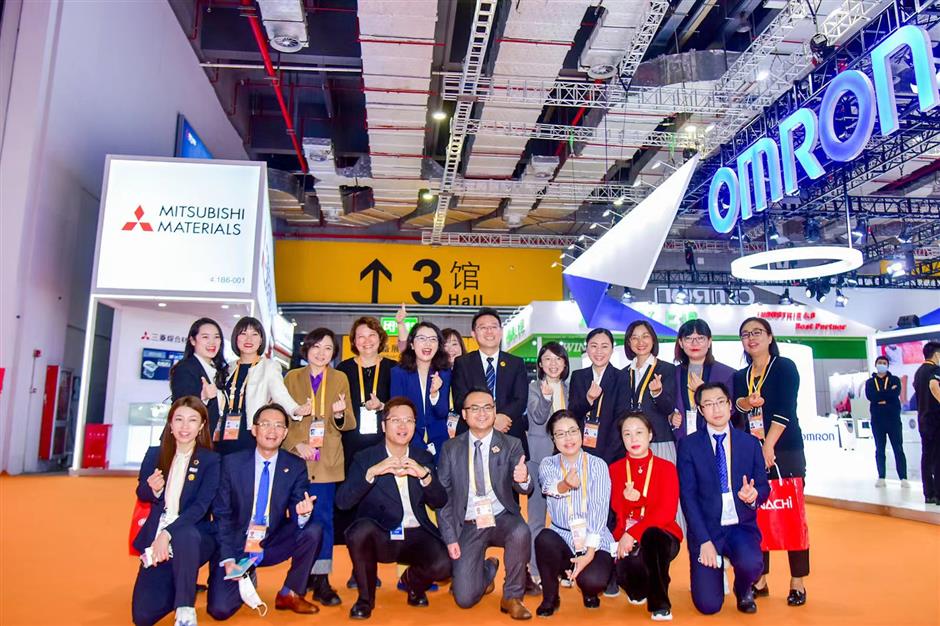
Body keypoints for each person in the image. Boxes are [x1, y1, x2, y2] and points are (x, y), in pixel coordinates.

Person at [336, 397, 451, 619]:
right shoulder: (365, 458)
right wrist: (371, 473)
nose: (402, 426)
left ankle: (412, 583)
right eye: (395, 420)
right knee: (358, 532)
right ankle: (365, 600)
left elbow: (439, 501)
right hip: (381, 533)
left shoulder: (423, 457)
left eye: (409, 420)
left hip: (415, 532)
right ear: (383, 425)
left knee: (445, 565)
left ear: (415, 425)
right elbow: (343, 502)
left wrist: (425, 476)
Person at [207, 403, 324, 619]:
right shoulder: (231, 464)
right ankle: (246, 573)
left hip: (272, 539)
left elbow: (298, 507)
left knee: (313, 530)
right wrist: (228, 557)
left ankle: (290, 592)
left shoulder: (295, 465)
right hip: (237, 542)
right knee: (220, 610)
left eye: (279, 426)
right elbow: (222, 514)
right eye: (266, 424)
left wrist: (303, 514)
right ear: (254, 429)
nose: (272, 431)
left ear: (285, 433)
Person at [437, 388, 534, 619]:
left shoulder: (511, 444)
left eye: (488, 407)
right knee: (464, 598)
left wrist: (523, 478)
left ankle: (512, 596)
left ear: (494, 410)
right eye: (475, 408)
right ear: (464, 414)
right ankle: (488, 569)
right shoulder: (451, 448)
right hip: (468, 522)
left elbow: (524, 488)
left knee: (521, 531)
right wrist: (450, 538)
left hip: (501, 517)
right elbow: (443, 498)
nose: (482, 413)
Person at [677, 382, 770, 616]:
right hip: (707, 529)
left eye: (720, 402)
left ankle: (743, 588)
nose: (716, 409)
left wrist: (753, 496)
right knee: (708, 606)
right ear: (700, 410)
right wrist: (704, 541)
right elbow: (688, 497)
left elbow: (763, 486)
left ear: (730, 405)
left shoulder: (750, 443)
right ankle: (712, 573)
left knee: (752, 563)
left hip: (740, 526)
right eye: (708, 404)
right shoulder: (688, 445)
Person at [733, 317, 808, 606]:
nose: (751, 338)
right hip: (751, 451)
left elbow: (785, 409)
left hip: (785, 449)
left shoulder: (784, 367)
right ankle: (760, 579)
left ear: (769, 336)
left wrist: (769, 445)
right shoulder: (742, 375)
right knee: (756, 514)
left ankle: (797, 581)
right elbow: (737, 407)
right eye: (745, 334)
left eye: (757, 332)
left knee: (792, 513)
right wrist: (746, 403)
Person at [283, 327, 356, 606]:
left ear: (334, 352)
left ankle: (322, 579)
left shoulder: (339, 378)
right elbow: (280, 418)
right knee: (299, 518)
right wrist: (295, 443)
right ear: (307, 349)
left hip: (326, 460)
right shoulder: (291, 378)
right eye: (316, 346)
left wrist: (339, 414)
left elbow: (349, 422)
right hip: (297, 460)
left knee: (324, 518)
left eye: (327, 348)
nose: (321, 353)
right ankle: (301, 576)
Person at [132, 397, 220, 626]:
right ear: (170, 424)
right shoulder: (155, 454)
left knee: (186, 535)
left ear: (201, 426)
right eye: (179, 419)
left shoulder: (210, 460)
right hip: (157, 534)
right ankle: (178, 583)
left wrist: (167, 533)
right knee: (143, 617)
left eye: (192, 420)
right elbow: (141, 492)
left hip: (194, 535)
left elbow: (201, 507)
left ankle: (185, 609)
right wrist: (153, 490)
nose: (184, 426)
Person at [534, 410, 615, 617]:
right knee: (543, 539)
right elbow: (549, 486)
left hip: (593, 537)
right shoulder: (548, 464)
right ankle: (550, 597)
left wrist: (589, 554)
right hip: (562, 535)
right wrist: (565, 484)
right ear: (553, 439)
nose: (568, 438)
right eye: (560, 434)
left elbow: (599, 510)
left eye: (572, 431)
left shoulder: (598, 465)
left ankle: (590, 592)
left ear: (581, 432)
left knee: (593, 581)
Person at [335, 317, 394, 588]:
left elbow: (400, 406)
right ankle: (357, 568)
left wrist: (383, 406)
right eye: (361, 336)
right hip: (351, 446)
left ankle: (374, 565)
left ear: (380, 338)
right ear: (353, 341)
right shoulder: (344, 369)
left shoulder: (392, 369)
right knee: (354, 506)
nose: (367, 341)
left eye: (372, 335)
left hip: (382, 445)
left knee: (378, 505)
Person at [609, 412, 682, 621]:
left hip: (663, 535)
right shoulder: (614, 469)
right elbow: (616, 508)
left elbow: (666, 512)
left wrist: (634, 530)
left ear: (650, 435)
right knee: (635, 591)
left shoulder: (666, 468)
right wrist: (628, 502)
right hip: (625, 537)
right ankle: (651, 580)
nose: (633, 439)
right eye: (627, 434)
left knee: (652, 536)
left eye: (639, 432)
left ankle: (660, 605)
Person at [216, 316, 302, 456]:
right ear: (235, 338)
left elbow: (280, 394)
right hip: (226, 432)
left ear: (261, 340)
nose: (248, 339)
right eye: (243, 334)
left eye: (254, 334)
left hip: (251, 433)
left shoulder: (269, 366)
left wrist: (296, 410)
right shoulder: (228, 368)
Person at [452, 308, 529, 457]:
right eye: (483, 328)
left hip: (509, 432)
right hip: (472, 434)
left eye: (493, 327)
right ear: (473, 334)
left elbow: (520, 399)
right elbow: (459, 400)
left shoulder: (516, 363)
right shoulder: (462, 363)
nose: (489, 332)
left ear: (501, 331)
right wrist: (490, 419)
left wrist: (501, 418)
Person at [525, 342, 570, 590]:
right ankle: (535, 569)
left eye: (558, 359)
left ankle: (565, 567)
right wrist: (545, 398)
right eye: (548, 359)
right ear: (540, 364)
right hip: (539, 459)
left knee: (566, 517)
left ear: (565, 363)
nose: (553, 364)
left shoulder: (569, 388)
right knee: (537, 518)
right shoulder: (534, 387)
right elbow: (538, 417)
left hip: (566, 459)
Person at [391, 321, 452, 461]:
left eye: (433, 339)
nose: (427, 344)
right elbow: (397, 411)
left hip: (439, 441)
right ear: (412, 344)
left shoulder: (444, 372)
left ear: (438, 346)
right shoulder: (398, 373)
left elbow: (442, 413)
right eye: (422, 338)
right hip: (409, 439)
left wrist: (435, 394)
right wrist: (419, 445)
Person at [568, 328, 628, 464]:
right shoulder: (578, 376)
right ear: (587, 349)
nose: (599, 351)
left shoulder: (622, 377)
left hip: (611, 453)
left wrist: (605, 459)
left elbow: (620, 420)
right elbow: (572, 413)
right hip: (580, 450)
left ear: (612, 350)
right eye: (594, 346)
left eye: (604, 346)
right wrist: (588, 399)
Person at [672, 319, 738, 439]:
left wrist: (703, 391)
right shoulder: (673, 373)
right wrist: (670, 417)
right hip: (682, 440)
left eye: (700, 338)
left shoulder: (728, 374)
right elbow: (668, 406)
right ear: (681, 343)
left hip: (717, 439)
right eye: (688, 338)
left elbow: (733, 411)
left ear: (709, 342)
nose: (694, 343)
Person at [624, 321, 677, 463]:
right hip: (631, 441)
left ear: (653, 339)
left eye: (645, 336)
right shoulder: (623, 373)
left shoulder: (667, 369)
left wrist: (658, 393)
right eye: (635, 338)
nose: (640, 342)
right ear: (629, 342)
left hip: (659, 439)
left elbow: (669, 408)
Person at [169, 318, 228, 439]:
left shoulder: (220, 370)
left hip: (214, 439)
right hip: (189, 439)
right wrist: (203, 397)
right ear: (192, 340)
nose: (212, 342)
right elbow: (181, 405)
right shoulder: (185, 368)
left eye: (216, 337)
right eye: (205, 337)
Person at [865, 356, 908, 488]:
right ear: (876, 364)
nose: (882, 365)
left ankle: (903, 478)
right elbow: (871, 396)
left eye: (884, 363)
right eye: (880, 363)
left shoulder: (895, 380)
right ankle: (881, 477)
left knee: (898, 448)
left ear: (888, 365)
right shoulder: (870, 382)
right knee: (880, 449)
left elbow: (895, 393)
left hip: (893, 419)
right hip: (877, 420)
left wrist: (881, 397)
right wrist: (887, 394)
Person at [914, 341, 940, 505]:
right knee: (938, 457)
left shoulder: (919, 372)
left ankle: (928, 494)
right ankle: (938, 494)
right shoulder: (935, 370)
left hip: (923, 419)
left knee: (926, 457)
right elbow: (933, 385)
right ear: (936, 354)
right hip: (936, 420)